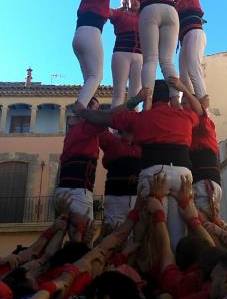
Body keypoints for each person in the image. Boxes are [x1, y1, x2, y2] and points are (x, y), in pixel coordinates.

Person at [77, 79, 203, 249]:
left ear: (151, 98)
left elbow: (106, 118)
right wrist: (184, 90)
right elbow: (200, 112)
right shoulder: (185, 116)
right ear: (168, 98)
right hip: (182, 174)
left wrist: (82, 112)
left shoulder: (140, 118)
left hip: (154, 173)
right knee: (177, 231)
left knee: (150, 229)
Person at [89, 0, 180, 101]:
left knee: (149, 64)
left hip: (147, 23)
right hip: (169, 12)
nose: (136, 0)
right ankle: (174, 99)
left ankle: (148, 103)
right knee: (166, 61)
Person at [54, 97, 104, 222]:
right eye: (96, 109)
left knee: (61, 231)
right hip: (79, 191)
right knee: (82, 236)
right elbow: (107, 120)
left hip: (63, 190)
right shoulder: (86, 128)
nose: (97, 112)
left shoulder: (72, 132)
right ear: (86, 110)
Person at [72, 0, 112, 107]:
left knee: (89, 80)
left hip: (78, 35)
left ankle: (90, 106)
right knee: (96, 76)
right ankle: (79, 109)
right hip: (91, 33)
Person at [172, 0, 209, 106]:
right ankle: (189, 105)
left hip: (194, 33)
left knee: (193, 66)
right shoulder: (175, 1)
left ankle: (203, 104)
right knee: (184, 76)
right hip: (184, 40)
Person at [99, 129, 141, 229]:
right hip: (116, 197)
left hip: (136, 198)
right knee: (112, 232)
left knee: (136, 237)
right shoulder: (112, 142)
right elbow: (100, 127)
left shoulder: (141, 147)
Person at [109, 0, 142, 108]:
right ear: (127, 1)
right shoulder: (120, 14)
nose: (135, 1)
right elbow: (107, 11)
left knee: (135, 94)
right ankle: (114, 125)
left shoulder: (145, 16)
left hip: (139, 56)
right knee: (119, 93)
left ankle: (135, 125)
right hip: (121, 53)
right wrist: (120, 8)